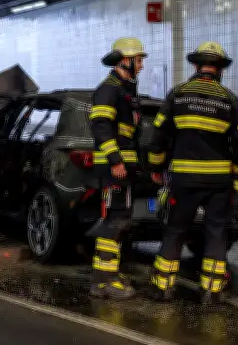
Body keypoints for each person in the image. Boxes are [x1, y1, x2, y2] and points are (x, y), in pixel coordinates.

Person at [147, 42, 238, 305]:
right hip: (219, 181)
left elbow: (158, 135)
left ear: (195, 65)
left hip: (184, 179)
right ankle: (211, 292)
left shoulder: (177, 94)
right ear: (220, 69)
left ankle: (163, 288)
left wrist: (156, 168)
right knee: (216, 231)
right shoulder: (229, 99)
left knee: (175, 230)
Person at [87, 37, 147, 300]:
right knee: (114, 221)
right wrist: (116, 161)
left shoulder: (124, 89)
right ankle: (103, 281)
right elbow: (100, 126)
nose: (142, 65)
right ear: (125, 60)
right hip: (114, 168)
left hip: (123, 167)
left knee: (121, 220)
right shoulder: (109, 89)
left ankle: (110, 272)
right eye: (139, 59)